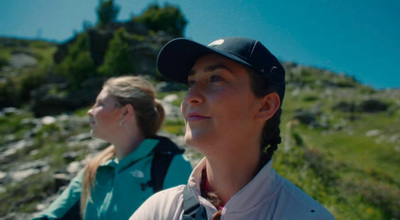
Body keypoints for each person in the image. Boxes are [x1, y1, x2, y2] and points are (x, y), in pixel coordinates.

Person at [130, 37, 335, 220]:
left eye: (216, 78)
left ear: (265, 106)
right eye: (191, 82)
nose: (190, 97)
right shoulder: (159, 210)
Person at [32, 76, 192, 220]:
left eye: (100, 104)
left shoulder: (172, 166)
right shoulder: (94, 170)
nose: (90, 111)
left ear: (125, 112)